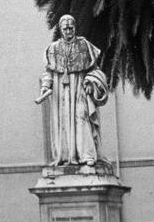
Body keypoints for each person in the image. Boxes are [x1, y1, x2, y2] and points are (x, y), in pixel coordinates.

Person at [35, 14, 110, 168]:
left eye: (71, 28)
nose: (68, 31)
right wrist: (45, 86)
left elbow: (94, 70)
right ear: (60, 29)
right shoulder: (53, 49)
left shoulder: (85, 45)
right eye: (65, 28)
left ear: (75, 27)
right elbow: (48, 72)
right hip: (60, 92)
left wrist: (90, 82)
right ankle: (64, 156)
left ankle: (87, 155)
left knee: (82, 117)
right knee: (63, 122)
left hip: (80, 89)